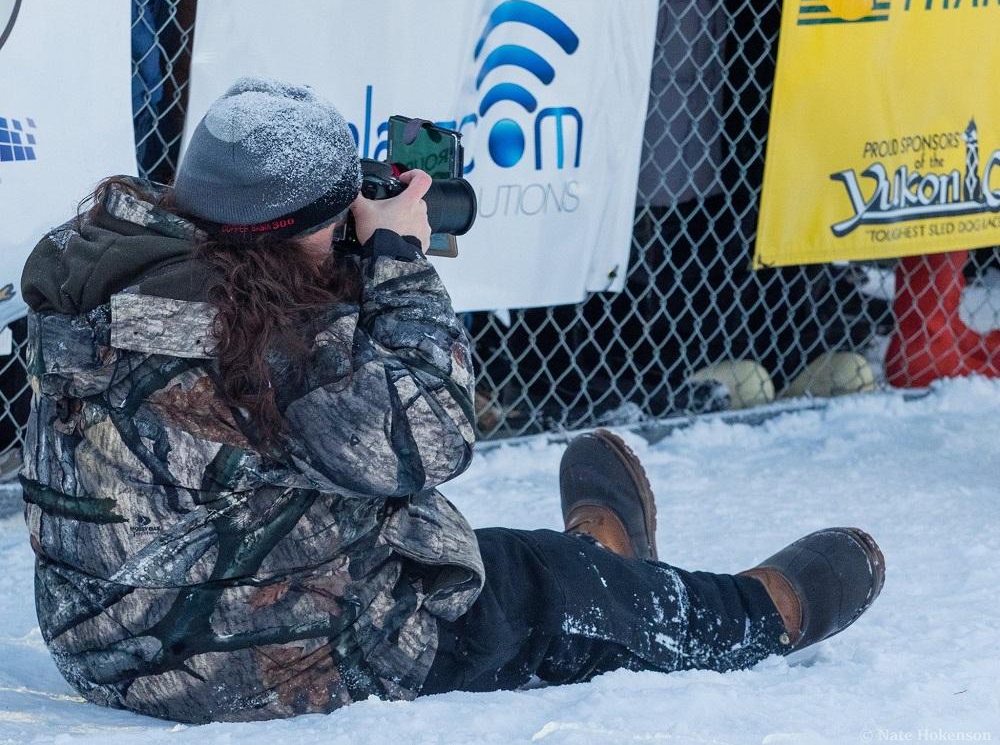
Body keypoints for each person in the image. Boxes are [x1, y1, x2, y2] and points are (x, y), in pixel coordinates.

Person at [19, 78, 885, 724]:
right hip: (237, 659)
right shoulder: (265, 347)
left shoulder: (124, 276)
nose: (350, 229)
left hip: (110, 641)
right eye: (335, 218)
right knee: (528, 586)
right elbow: (430, 435)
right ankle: (756, 614)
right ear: (281, 234)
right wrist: (397, 256)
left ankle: (609, 560)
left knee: (478, 554)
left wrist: (337, 259)